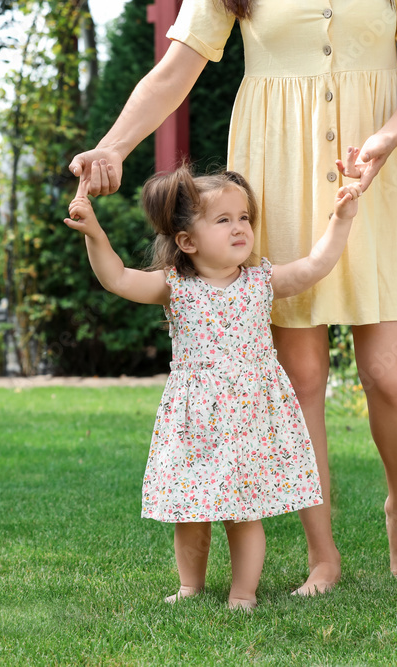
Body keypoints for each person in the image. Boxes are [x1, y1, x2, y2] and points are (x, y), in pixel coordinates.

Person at [69, 0, 397, 594]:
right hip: (278, 171)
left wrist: (385, 137)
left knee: (391, 373)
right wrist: (114, 146)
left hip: (375, 170)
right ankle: (324, 556)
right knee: (301, 378)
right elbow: (176, 68)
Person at [64, 161, 362, 609]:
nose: (240, 227)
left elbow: (315, 266)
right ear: (187, 241)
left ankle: (244, 593)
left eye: (244, 218)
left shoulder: (261, 281)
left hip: (248, 419)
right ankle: (190, 586)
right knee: (191, 511)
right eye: (224, 220)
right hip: (195, 421)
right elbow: (118, 277)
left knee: (243, 513)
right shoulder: (177, 288)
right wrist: (94, 235)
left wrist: (341, 219)